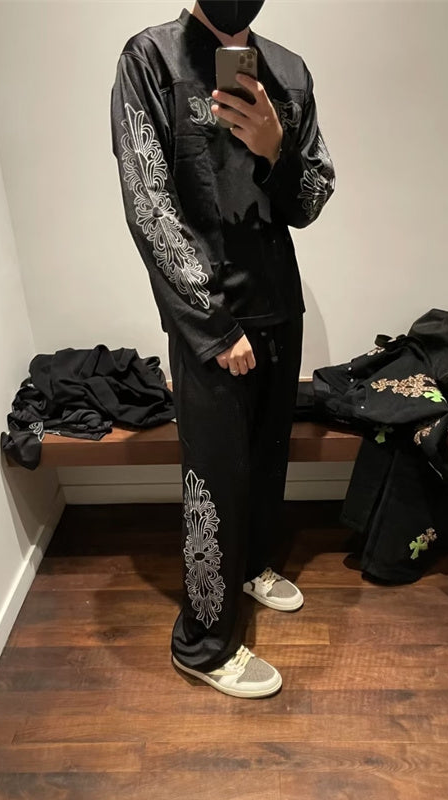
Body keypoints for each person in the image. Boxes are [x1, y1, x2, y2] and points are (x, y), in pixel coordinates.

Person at [110, 0, 334, 698]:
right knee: (213, 477)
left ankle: (252, 565)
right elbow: (149, 203)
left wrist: (276, 149)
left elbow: (312, 197)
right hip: (211, 321)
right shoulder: (151, 59)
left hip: (278, 305)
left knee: (268, 458)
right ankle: (203, 645)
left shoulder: (288, 72)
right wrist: (212, 324)